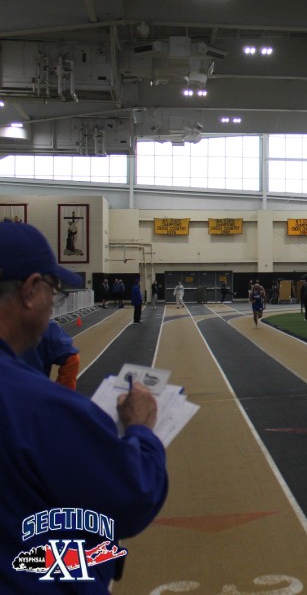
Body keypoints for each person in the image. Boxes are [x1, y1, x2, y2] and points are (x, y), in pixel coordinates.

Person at [0, 221, 167, 592]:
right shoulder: (39, 408)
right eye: (53, 289)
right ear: (29, 290)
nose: (53, 302)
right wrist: (141, 430)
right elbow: (134, 494)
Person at [19, 320, 81, 390]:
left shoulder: (43, 326)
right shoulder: (42, 325)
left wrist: (60, 393)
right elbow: (72, 358)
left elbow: (72, 359)